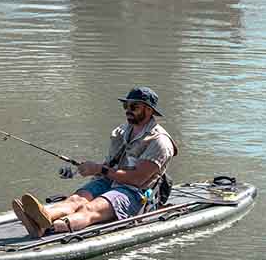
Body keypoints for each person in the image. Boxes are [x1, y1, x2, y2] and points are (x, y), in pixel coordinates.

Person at [12, 87, 178, 238]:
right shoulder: (123, 131)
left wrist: (99, 169)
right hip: (109, 181)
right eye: (125, 106)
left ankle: (49, 228)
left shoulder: (160, 142)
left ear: (149, 110)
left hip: (134, 193)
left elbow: (137, 180)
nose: (128, 111)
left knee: (89, 209)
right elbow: (110, 165)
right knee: (74, 201)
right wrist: (82, 170)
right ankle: (42, 216)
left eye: (134, 107)